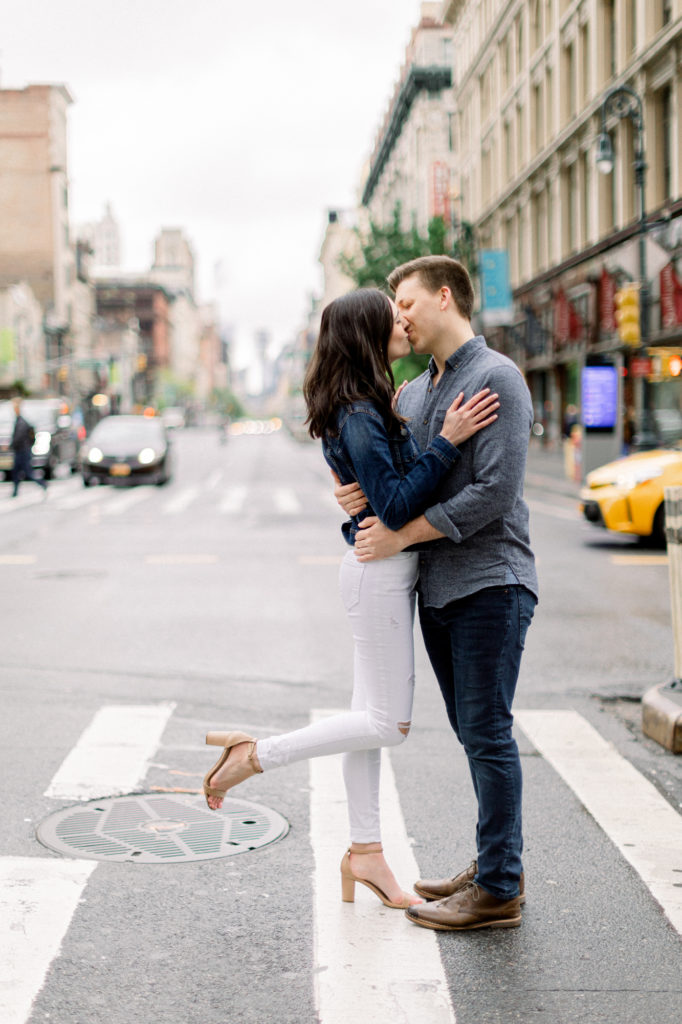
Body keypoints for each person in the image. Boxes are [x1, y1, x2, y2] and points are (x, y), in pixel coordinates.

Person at [202, 288, 499, 910]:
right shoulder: (361, 412)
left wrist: (375, 479)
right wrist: (445, 440)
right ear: (367, 332)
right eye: (392, 318)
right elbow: (391, 507)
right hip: (378, 576)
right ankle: (255, 755)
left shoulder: (368, 405)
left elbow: (374, 496)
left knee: (368, 726)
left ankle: (365, 854)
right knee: (387, 726)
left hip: (382, 572)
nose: (403, 323)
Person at [335, 256, 538, 931]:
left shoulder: (497, 378)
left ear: (444, 297)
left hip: (492, 582)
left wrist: (402, 535)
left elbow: (493, 493)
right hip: (440, 589)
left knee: (487, 733)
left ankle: (500, 887)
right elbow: (402, 487)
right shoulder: (416, 393)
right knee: (472, 733)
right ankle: (491, 864)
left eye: (407, 301)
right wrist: (358, 508)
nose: (399, 315)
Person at [10, 397, 47, 498]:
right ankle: (15, 491)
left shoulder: (21, 422)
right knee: (16, 471)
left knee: (27, 472)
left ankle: (42, 483)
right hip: (21, 450)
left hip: (22, 450)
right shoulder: (19, 420)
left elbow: (18, 436)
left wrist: (11, 445)